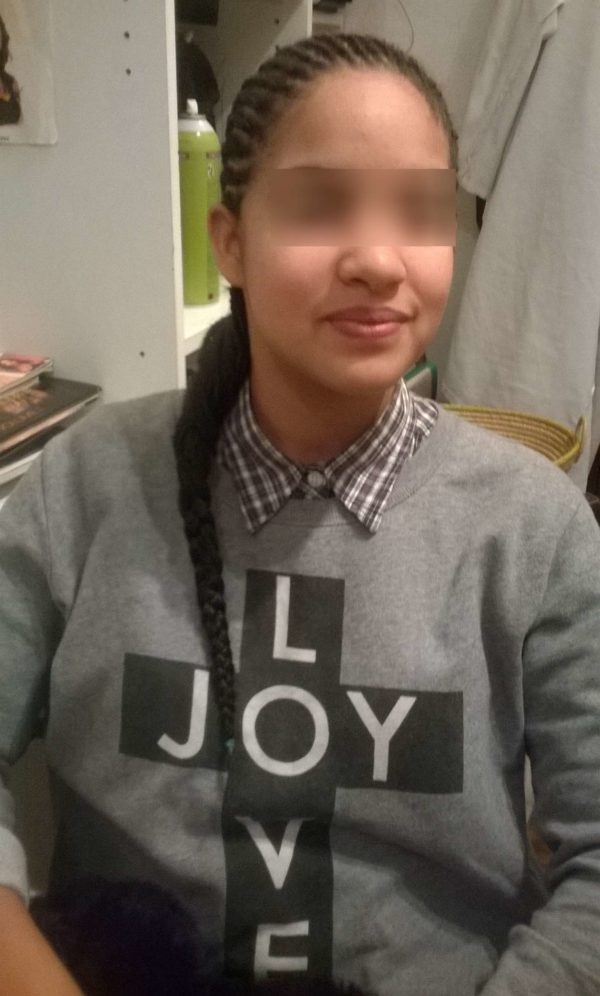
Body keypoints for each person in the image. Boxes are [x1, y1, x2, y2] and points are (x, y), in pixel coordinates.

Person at [1, 31, 599, 996]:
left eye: (421, 211)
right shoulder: (88, 483)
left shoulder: (536, 529)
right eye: (320, 205)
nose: (378, 259)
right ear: (229, 242)